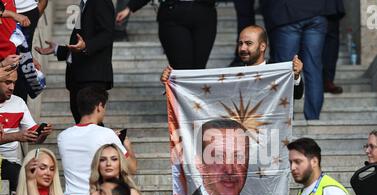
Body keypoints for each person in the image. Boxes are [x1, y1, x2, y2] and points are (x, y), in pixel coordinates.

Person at [161, 25, 304, 99]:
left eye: (248, 43)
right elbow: (204, 92)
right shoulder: (230, 72)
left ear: (262, 47)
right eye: (240, 43)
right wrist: (173, 82)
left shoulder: (277, 71)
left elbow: (296, 95)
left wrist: (296, 76)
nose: (242, 48)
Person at [57, 86, 137, 195]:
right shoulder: (106, 134)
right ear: (99, 106)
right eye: (104, 107)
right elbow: (132, 167)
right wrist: (127, 146)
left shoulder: (62, 136)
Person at [35, 0, 115, 123]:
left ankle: (108, 142)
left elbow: (107, 34)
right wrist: (58, 49)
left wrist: (86, 45)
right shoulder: (85, 4)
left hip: (92, 76)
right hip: (80, 76)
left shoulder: (100, 2)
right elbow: (80, 43)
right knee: (83, 123)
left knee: (90, 124)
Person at [261, 0, 328, 120]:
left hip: (286, 12)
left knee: (286, 70)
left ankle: (286, 120)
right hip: (317, 10)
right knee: (313, 68)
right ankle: (313, 119)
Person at [116, 0, 217, 69]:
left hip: (205, 14)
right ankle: (180, 100)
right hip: (173, 14)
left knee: (199, 69)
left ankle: (193, 100)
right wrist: (130, 7)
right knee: (182, 68)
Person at [0, 69, 52, 193]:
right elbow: (20, 136)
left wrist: (43, 134)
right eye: (7, 82)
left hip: (13, 165)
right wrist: (17, 136)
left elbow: (35, 139)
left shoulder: (18, 102)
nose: (12, 87)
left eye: (14, 82)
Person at [13, 0, 48, 102]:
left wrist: (36, 12)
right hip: (6, 13)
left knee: (22, 66)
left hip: (27, 10)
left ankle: (19, 113)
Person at [323, 0, 345, 94]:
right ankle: (320, 81)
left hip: (331, 9)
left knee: (331, 47)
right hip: (305, 10)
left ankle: (328, 80)